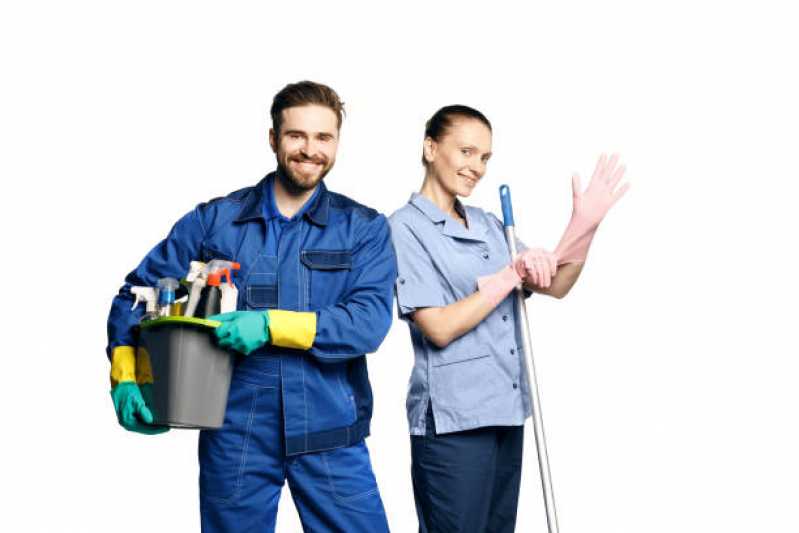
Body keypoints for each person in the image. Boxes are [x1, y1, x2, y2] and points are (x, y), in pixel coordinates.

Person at [106, 81, 396, 532]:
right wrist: (127, 376)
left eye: (324, 137)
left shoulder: (363, 229)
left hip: (331, 433)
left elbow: (369, 322)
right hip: (234, 432)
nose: (310, 150)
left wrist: (270, 325)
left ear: (337, 142)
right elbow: (136, 294)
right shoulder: (217, 221)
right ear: (273, 139)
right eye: (296, 135)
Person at [388, 105, 629, 532]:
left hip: (506, 409)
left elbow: (556, 283)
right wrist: (508, 275)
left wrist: (586, 225)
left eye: (484, 157)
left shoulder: (487, 224)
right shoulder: (404, 228)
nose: (476, 167)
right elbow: (438, 327)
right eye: (466, 151)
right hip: (452, 422)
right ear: (430, 148)